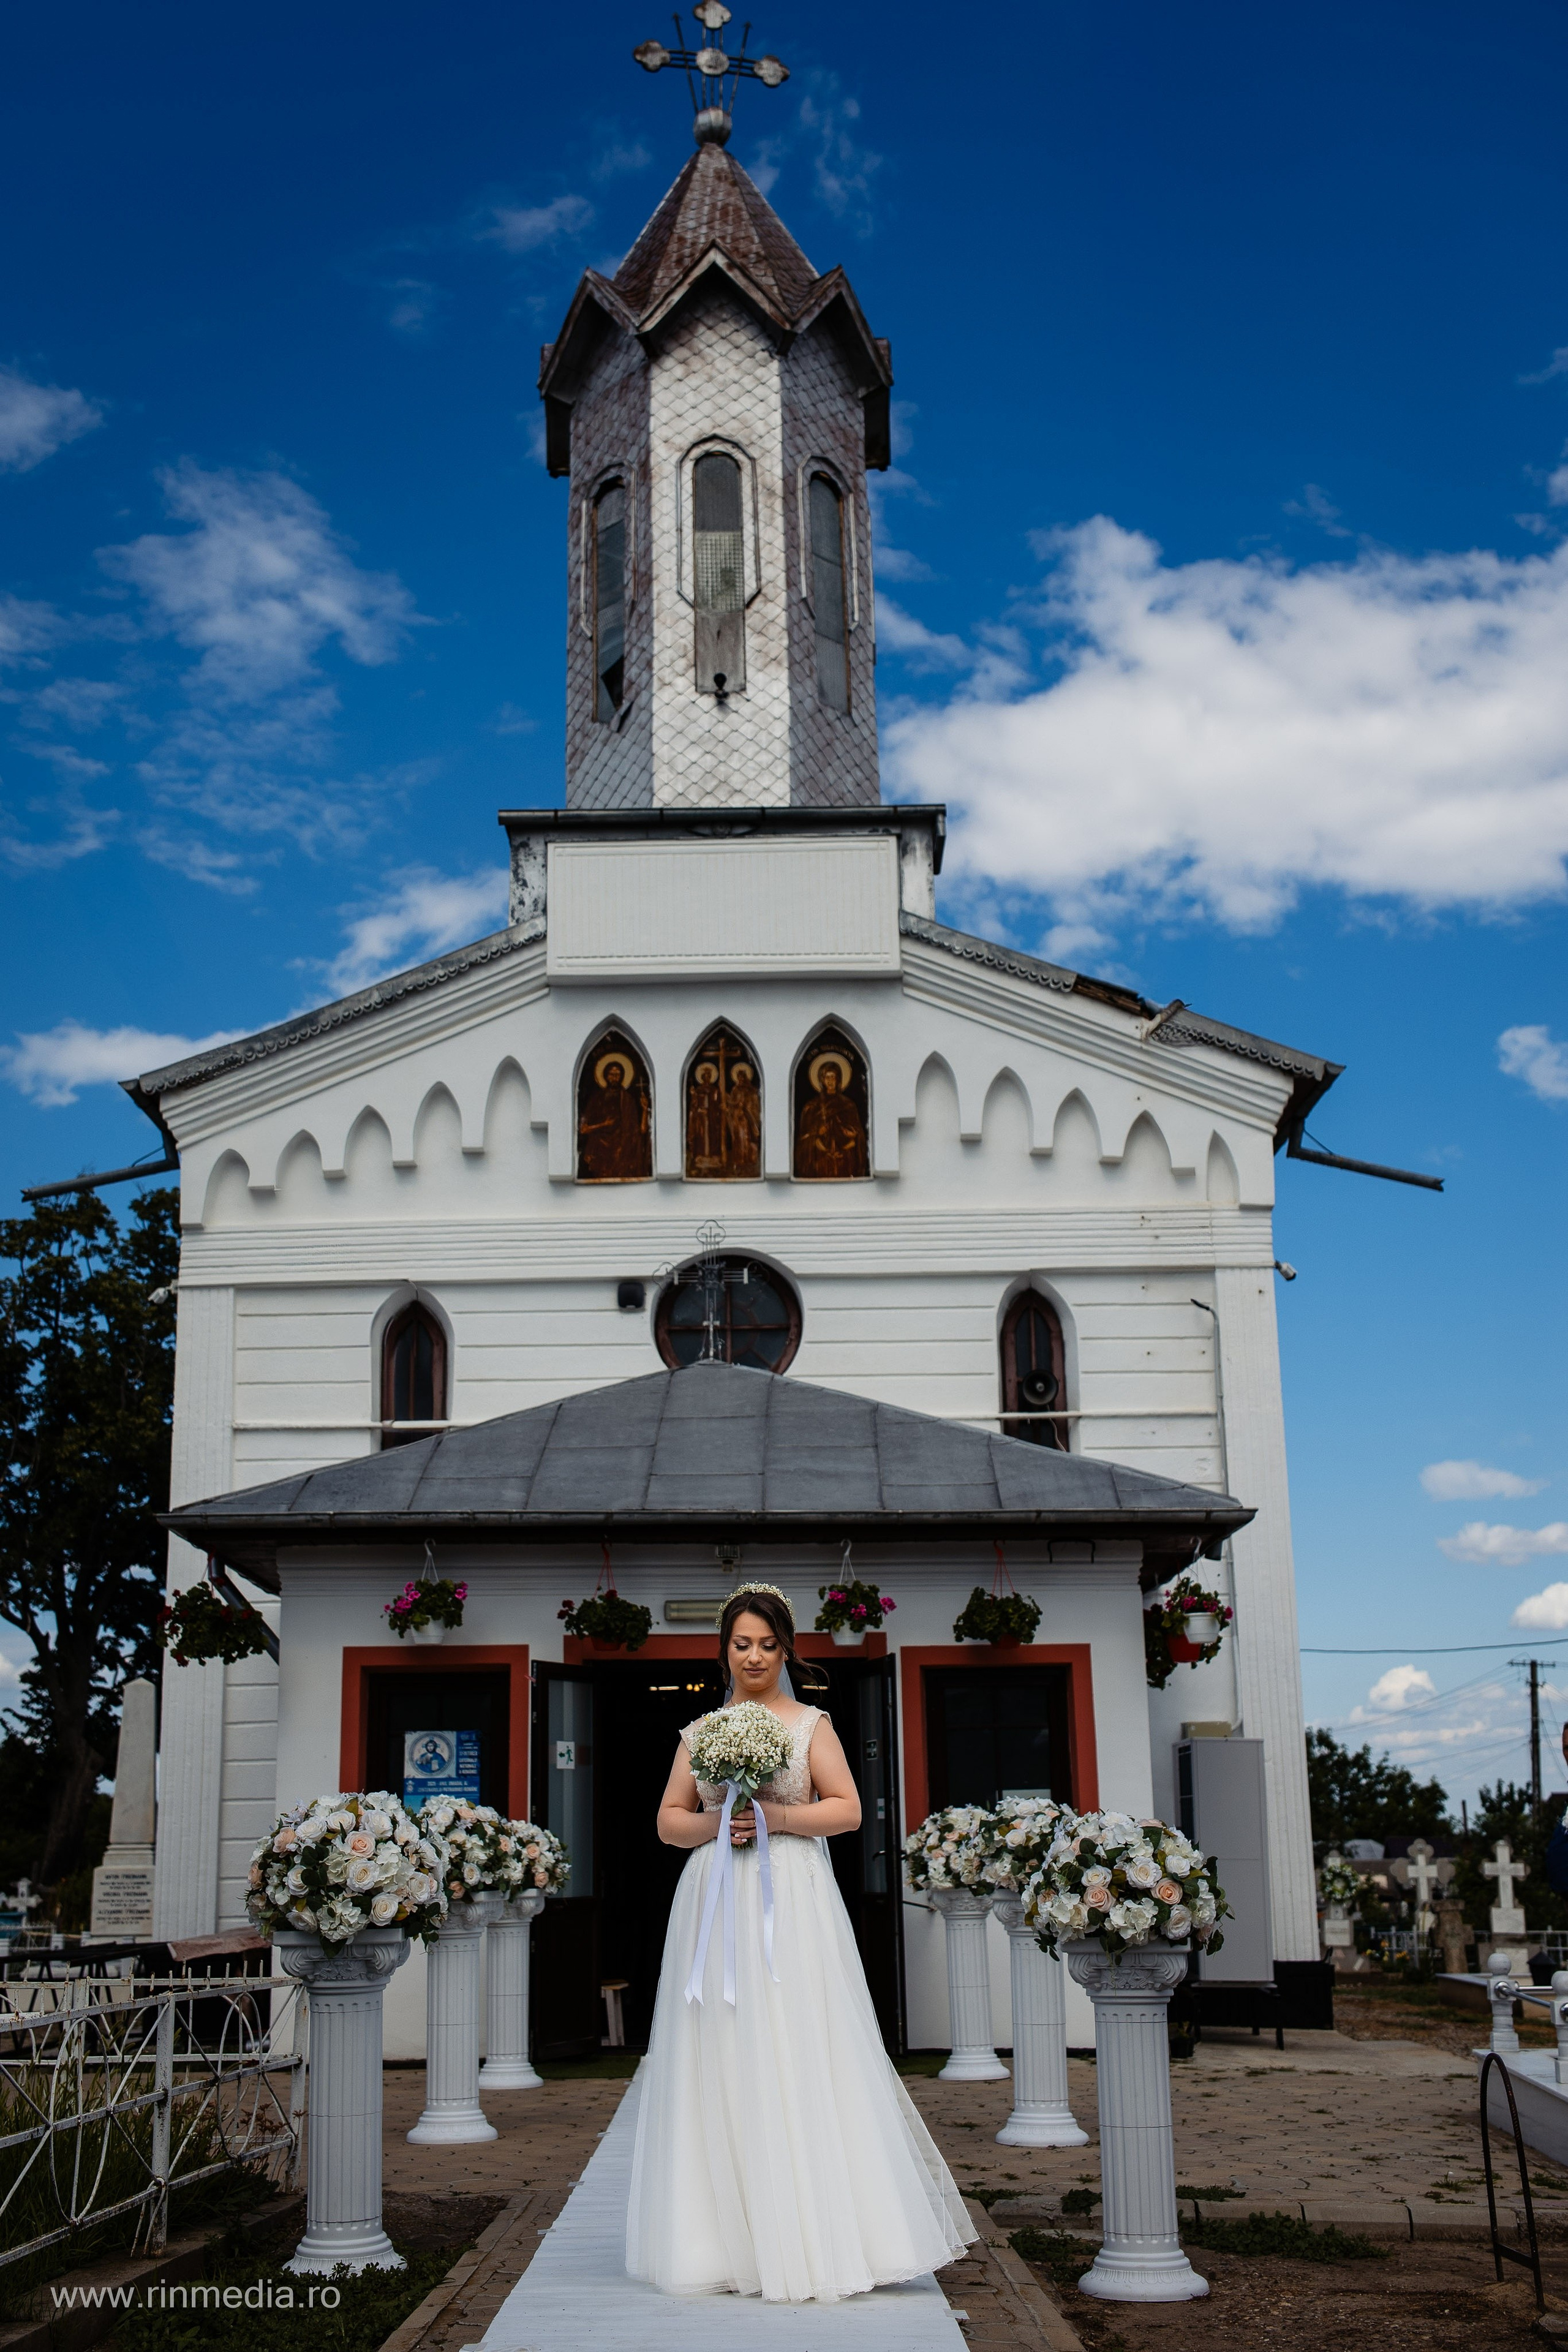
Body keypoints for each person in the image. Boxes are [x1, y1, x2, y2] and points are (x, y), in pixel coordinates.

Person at [626, 1586, 974, 2304]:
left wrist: (776, 1817)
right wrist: (723, 1826)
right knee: (720, 2045)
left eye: (767, 1644)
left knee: (797, 2040)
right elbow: (667, 1820)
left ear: (785, 1650)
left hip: (792, 1896)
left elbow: (845, 1811)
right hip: (717, 1896)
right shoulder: (701, 1731)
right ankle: (721, 2238)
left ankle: (820, 2232)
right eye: (740, 1643)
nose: (753, 1656)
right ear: (723, 1649)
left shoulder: (811, 1724)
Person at [795, 1057, 867, 1179]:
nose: (830, 1081)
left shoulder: (848, 1105)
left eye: (833, 1077)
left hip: (844, 1159)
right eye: (827, 1077)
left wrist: (849, 1134)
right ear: (821, 1080)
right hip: (820, 1160)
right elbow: (803, 1139)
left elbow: (859, 1135)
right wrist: (817, 1133)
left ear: (838, 1079)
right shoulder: (812, 1107)